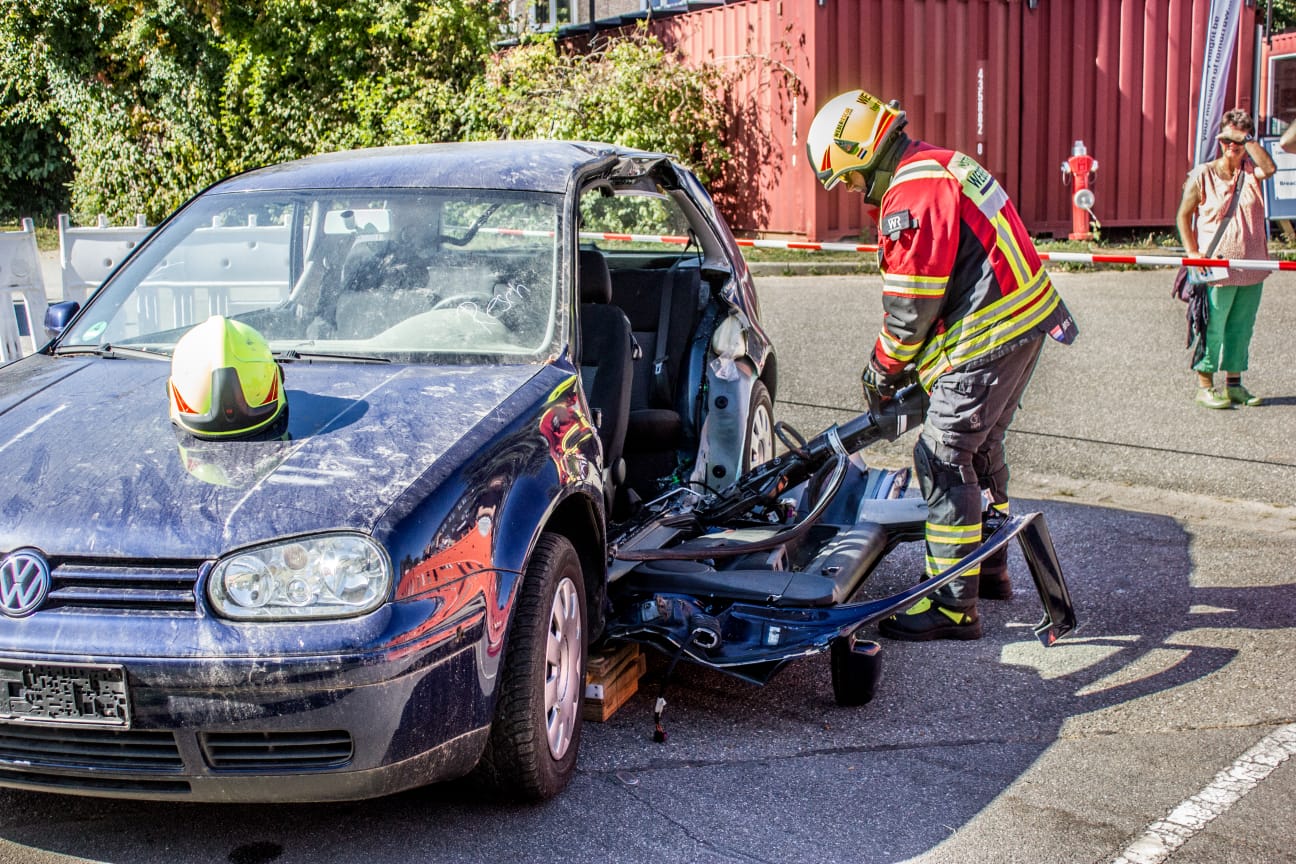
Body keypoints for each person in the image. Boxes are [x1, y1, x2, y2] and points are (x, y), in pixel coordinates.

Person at [806, 89, 1078, 641]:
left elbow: (910, 308)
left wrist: (881, 372)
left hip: (989, 336)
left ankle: (953, 607)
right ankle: (991, 568)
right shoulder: (943, 163)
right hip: (1024, 323)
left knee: (941, 456)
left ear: (859, 154)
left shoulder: (912, 191)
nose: (856, 194)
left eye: (850, 180)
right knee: (982, 450)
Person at [1175, 108, 1276, 409]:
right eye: (1227, 140)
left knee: (1241, 327)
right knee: (1212, 325)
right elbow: (1183, 216)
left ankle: (1234, 384)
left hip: (1252, 267)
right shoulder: (1202, 174)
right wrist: (1192, 251)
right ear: (1219, 140)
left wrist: (1248, 140)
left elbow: (1269, 169)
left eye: (1238, 141)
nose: (1232, 147)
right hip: (1216, 267)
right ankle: (1205, 384)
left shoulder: (1251, 172)